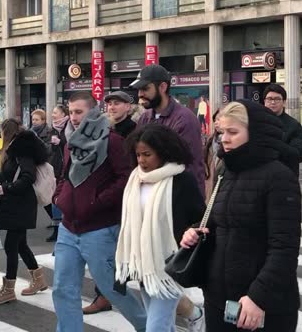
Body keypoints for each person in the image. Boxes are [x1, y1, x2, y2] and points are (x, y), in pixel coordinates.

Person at [180, 100, 301, 332]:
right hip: (218, 296)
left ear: (254, 132)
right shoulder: (226, 170)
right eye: (222, 132)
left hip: (261, 304)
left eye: (233, 132)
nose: (224, 139)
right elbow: (215, 218)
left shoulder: (279, 177)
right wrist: (195, 230)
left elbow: (284, 248)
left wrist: (258, 297)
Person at [52, 91, 147, 331]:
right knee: (63, 289)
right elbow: (65, 174)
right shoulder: (70, 141)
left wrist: (97, 202)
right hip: (68, 227)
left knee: (112, 289)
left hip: (100, 229)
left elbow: (126, 177)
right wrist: (59, 197)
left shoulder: (112, 141)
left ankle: (149, 326)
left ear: (92, 112)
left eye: (78, 112)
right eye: (71, 112)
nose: (73, 117)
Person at [116, 124, 206, 332]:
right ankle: (197, 316)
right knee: (161, 324)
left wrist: (189, 234)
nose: (141, 160)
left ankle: (197, 316)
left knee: (156, 327)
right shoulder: (135, 179)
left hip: (170, 264)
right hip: (144, 264)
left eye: (147, 154)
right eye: (138, 155)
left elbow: (200, 218)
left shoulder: (182, 180)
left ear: (163, 152)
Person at [82, 90, 140, 315]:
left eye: (117, 103)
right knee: (105, 251)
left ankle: (117, 292)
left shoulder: (135, 131)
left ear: (128, 107)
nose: (112, 107)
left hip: (128, 194)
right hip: (106, 196)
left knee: (121, 249)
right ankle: (105, 294)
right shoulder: (102, 130)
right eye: (109, 104)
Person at [0, 118, 49, 304]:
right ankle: (39, 279)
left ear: (6, 132)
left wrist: (7, 188)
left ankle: (9, 289)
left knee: (12, 245)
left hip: (21, 205)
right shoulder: (16, 149)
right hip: (16, 204)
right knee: (20, 245)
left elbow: (28, 177)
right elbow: (9, 178)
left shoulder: (21, 150)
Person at [132, 64, 206, 197]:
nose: (140, 94)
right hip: (149, 195)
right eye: (139, 90)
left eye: (145, 89)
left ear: (163, 87)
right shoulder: (144, 118)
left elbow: (190, 166)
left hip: (176, 198)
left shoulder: (185, 119)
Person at [263, 84, 302, 176]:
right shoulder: (256, 122)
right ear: (264, 102)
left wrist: (276, 143)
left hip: (284, 178)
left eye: (277, 99)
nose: (273, 102)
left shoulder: (294, 125)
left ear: (284, 102)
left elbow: (299, 155)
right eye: (269, 99)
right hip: (260, 179)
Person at [45, 104, 69, 243]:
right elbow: (50, 149)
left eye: (55, 112)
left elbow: (70, 144)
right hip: (56, 167)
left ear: (63, 114)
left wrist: (61, 142)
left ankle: (63, 228)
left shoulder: (69, 126)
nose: (53, 115)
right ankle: (56, 229)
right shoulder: (54, 128)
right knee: (55, 199)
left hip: (66, 168)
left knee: (61, 200)